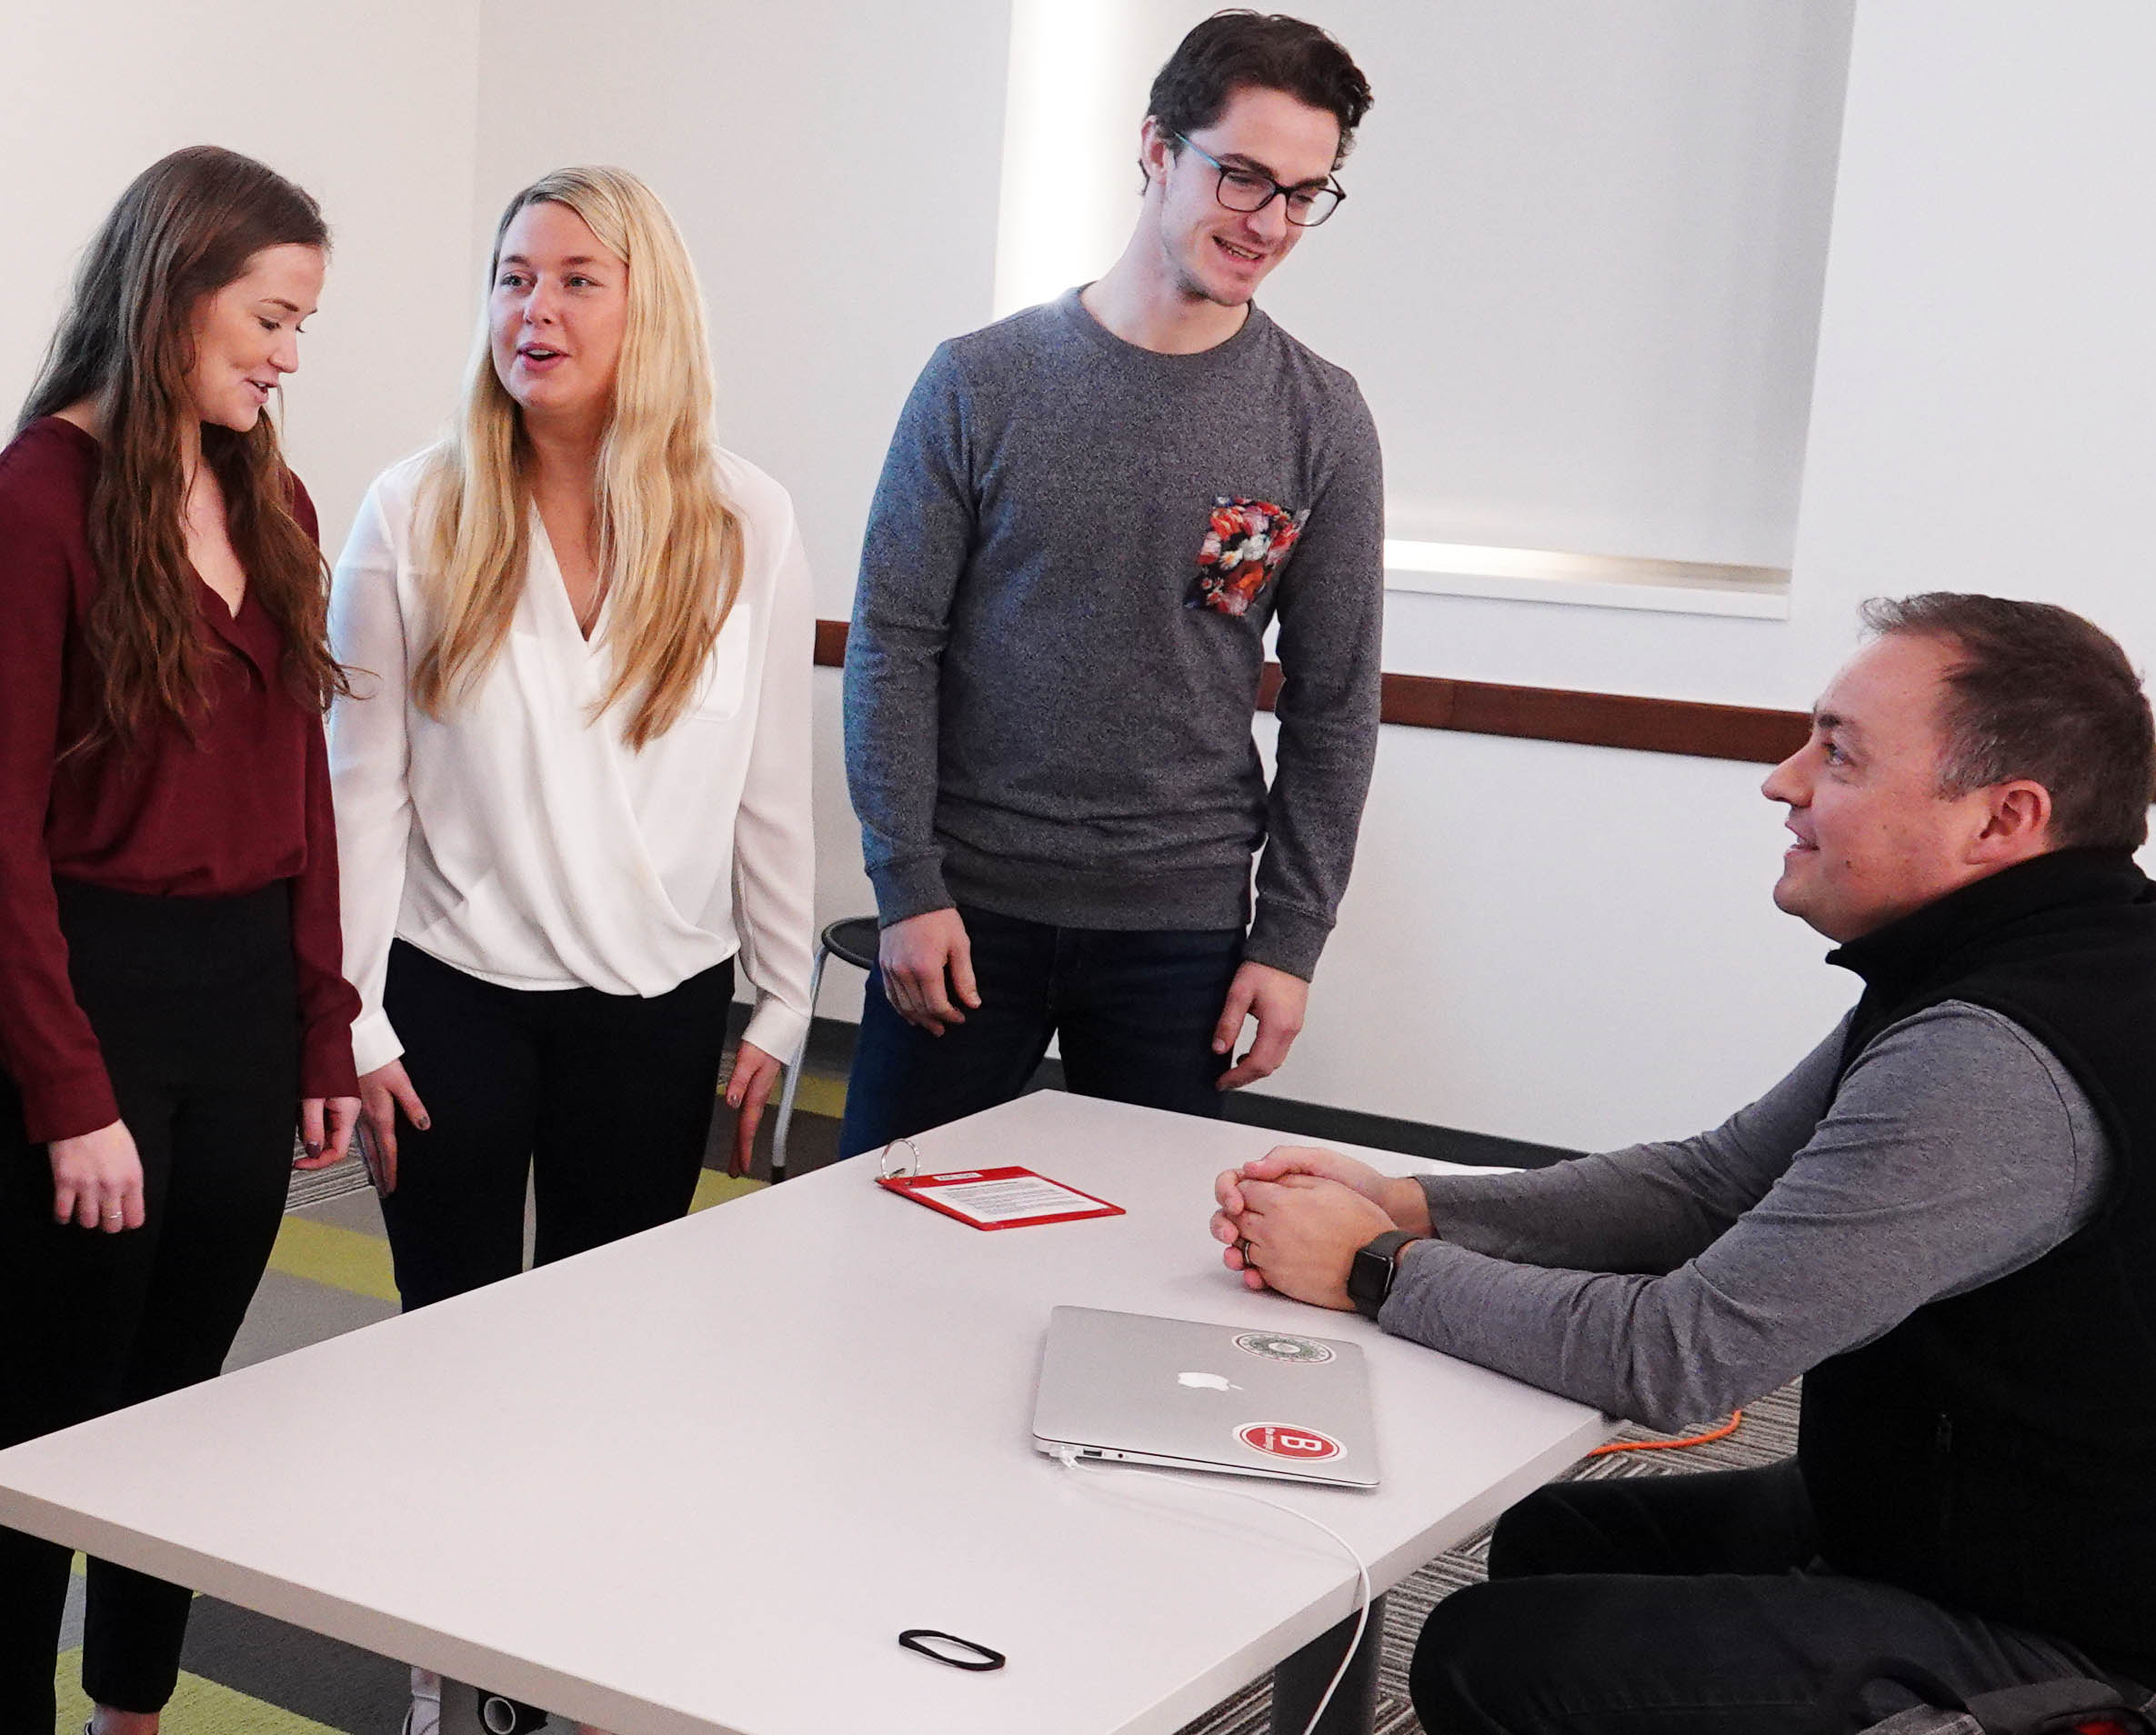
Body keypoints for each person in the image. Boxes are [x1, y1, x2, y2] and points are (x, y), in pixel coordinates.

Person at [1210, 595, 2156, 1735]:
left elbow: (1685, 1355)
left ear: (2000, 820)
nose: (1782, 781)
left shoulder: (2004, 1053)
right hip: (2014, 1526)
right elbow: (1714, 1184)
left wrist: (1375, 1270)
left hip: (2121, 1653)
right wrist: (1413, 1203)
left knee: (1495, 1657)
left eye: (1841, 754)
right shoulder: (2026, 960)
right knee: (1560, 1543)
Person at [326, 165, 813, 1735]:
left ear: (644, 302)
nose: (533, 310)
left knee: (616, 1362)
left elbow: (771, 780)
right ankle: (441, 1660)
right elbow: (358, 791)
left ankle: (576, 1653)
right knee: (453, 1353)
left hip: (658, 1007)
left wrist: (785, 995)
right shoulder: (415, 506)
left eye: (574, 279)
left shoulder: (745, 516)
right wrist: (356, 1021)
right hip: (448, 1002)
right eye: (511, 277)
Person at [838, 9, 1384, 1158]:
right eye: (1242, 177)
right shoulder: (978, 383)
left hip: (1178, 930)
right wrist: (906, 883)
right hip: (966, 909)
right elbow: (894, 645)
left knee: (1146, 1271)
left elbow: (1334, 706)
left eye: (1303, 192)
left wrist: (1288, 942)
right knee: (880, 1241)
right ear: (1153, 146)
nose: (1269, 221)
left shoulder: (1320, 416)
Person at [0, 145, 362, 1735]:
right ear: (174, 293)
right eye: (270, 318)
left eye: (300, 327)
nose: (289, 355)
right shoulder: (32, 502)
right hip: (89, 998)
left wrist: (323, 1019)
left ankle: (133, 1709)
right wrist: (69, 1089)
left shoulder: (265, 488)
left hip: (237, 1004)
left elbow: (306, 784)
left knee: (178, 1405)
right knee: (45, 1414)